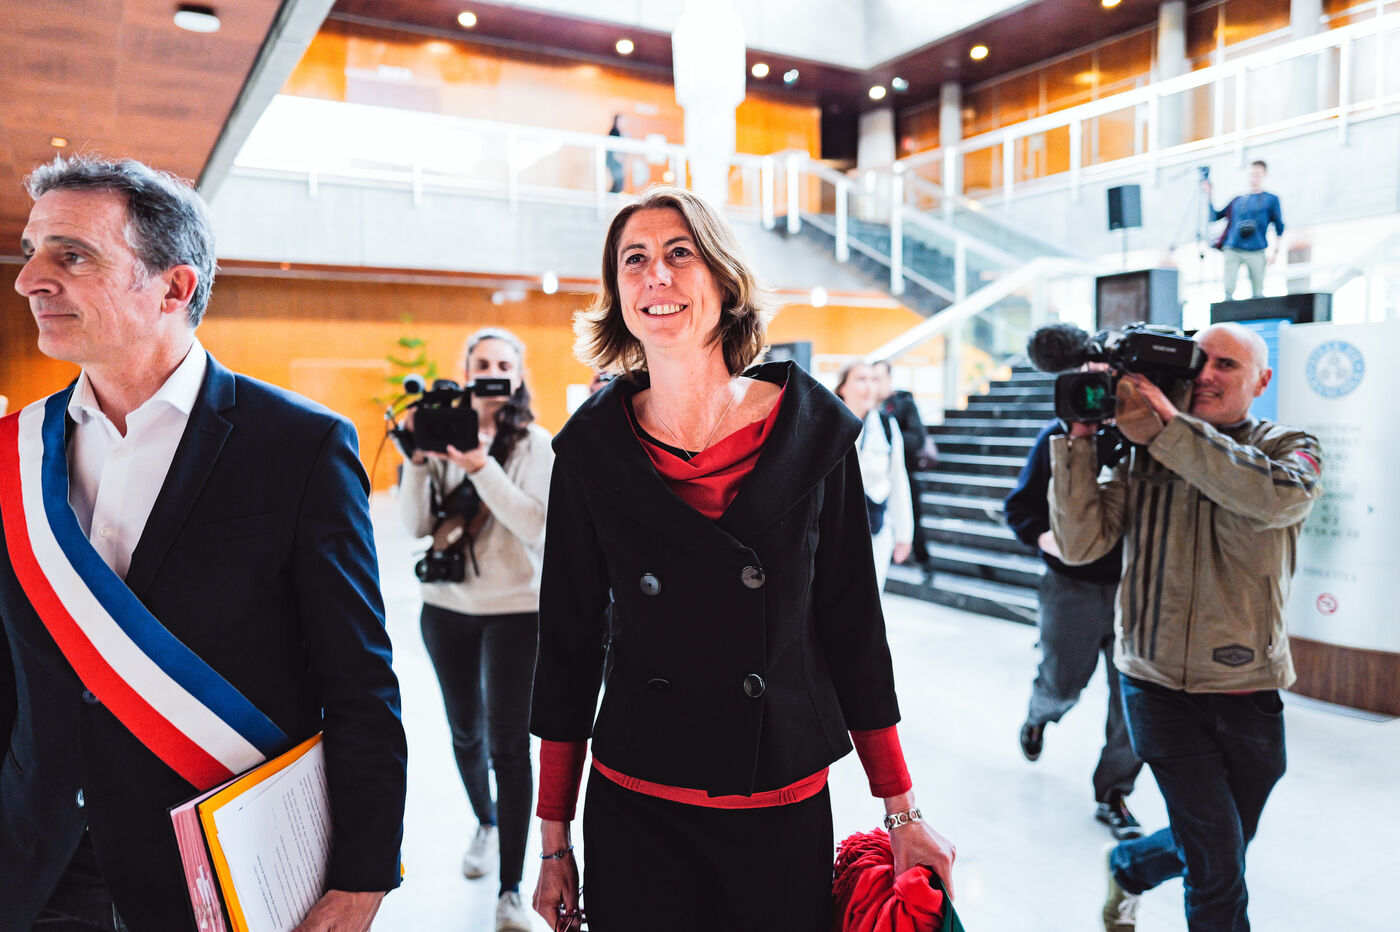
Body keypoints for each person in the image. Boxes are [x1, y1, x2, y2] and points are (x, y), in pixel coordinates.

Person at [529, 186, 955, 931]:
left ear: (724, 281)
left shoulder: (813, 433)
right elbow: (566, 647)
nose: (656, 275)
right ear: (619, 294)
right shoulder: (591, 449)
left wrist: (902, 810)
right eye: (634, 260)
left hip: (778, 798)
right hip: (637, 799)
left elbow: (854, 628)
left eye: (679, 253)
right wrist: (554, 840)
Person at [0, 155, 407, 931]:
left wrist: (363, 876)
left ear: (174, 288)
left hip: (215, 864)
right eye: (31, 253)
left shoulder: (300, 446)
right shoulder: (13, 454)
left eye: (72, 256)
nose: (29, 281)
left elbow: (360, 683)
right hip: (37, 865)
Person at [1048, 323, 1322, 932]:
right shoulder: (1143, 450)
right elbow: (1080, 544)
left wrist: (1170, 427)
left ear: (1262, 381)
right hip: (1156, 684)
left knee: (1225, 838)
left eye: (1227, 365)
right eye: (1200, 362)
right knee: (1217, 866)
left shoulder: (1288, 447)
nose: (1207, 376)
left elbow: (1275, 499)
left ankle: (1129, 866)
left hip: (1248, 684)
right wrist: (1079, 441)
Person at [397, 328, 553, 931]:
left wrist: (482, 467)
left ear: (518, 376)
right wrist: (417, 461)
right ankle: (486, 823)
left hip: (516, 612)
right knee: (465, 732)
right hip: (445, 609)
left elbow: (536, 526)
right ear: (464, 372)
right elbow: (415, 525)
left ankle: (512, 888)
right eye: (481, 362)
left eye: (503, 364)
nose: (492, 372)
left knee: (509, 745)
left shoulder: (534, 444)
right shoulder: (438, 433)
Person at [1003, 411, 1143, 840]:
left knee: (1133, 702)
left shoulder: (1148, 436)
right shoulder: (1059, 435)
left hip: (1136, 590)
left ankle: (1113, 794)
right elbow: (1020, 506)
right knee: (1062, 684)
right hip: (1071, 588)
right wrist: (1048, 539)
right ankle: (1038, 716)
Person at [836, 361, 915, 591]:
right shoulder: (829, 424)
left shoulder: (886, 426)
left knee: (871, 596)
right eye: (861, 379)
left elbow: (898, 480)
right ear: (843, 387)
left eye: (873, 379)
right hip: (837, 529)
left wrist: (904, 534)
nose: (869, 386)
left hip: (876, 527)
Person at [873, 359, 936, 576]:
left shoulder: (903, 403)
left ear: (889, 379)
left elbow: (917, 438)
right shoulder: (868, 408)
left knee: (911, 518)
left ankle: (924, 562)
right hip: (879, 477)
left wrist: (890, 435)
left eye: (878, 378)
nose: (874, 384)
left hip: (905, 473)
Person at [1205, 160, 1284, 300]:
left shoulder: (1271, 199)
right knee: (1228, 290)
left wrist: (1275, 251)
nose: (1254, 178)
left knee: (1258, 293)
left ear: (1264, 174)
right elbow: (1215, 216)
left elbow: (1279, 226)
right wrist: (1208, 194)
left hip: (1257, 249)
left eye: (1257, 174)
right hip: (1233, 248)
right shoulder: (1237, 200)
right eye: (1251, 174)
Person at [605, 114, 627, 195]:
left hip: (615, 162)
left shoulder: (619, 132)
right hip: (614, 162)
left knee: (617, 185)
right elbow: (614, 151)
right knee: (618, 184)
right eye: (622, 120)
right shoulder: (614, 132)